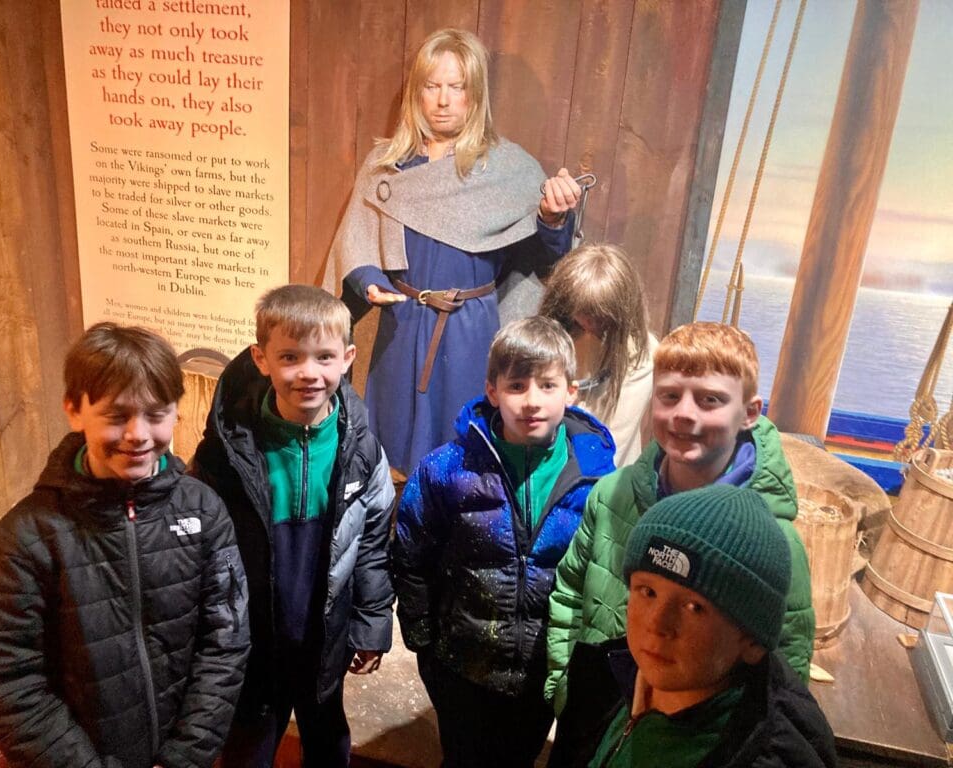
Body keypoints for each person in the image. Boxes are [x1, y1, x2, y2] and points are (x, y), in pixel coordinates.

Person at [0, 322, 250, 768]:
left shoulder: (204, 511)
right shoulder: (27, 535)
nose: (138, 433)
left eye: (155, 414)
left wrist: (186, 755)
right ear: (74, 410)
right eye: (117, 415)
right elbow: (10, 678)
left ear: (176, 413)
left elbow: (226, 642)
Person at [323, 28, 582, 477]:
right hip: (402, 324)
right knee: (388, 446)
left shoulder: (506, 169)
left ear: (474, 94)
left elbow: (547, 260)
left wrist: (553, 218)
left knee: (464, 452)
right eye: (431, 86)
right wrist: (370, 282)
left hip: (469, 330)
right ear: (417, 93)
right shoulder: (388, 165)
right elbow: (357, 239)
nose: (443, 100)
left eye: (456, 87)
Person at [546, 322, 815, 731]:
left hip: (696, 734)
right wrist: (564, 687)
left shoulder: (773, 543)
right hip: (595, 713)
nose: (684, 413)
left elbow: (785, 666)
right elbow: (569, 590)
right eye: (669, 396)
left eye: (710, 400)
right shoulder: (611, 495)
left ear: (749, 413)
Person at [392, 316, 616, 768]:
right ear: (492, 391)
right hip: (461, 666)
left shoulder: (597, 477)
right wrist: (423, 641)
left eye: (547, 385)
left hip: (541, 669)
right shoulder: (447, 469)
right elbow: (411, 554)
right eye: (516, 385)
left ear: (571, 392)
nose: (532, 401)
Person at [191, 284, 394, 768]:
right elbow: (203, 546)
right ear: (261, 359)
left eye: (324, 357)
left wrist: (370, 624)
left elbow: (372, 543)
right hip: (253, 634)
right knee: (249, 743)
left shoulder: (362, 450)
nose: (308, 373)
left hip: (325, 632)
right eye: (290, 357)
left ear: (347, 358)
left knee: (326, 738)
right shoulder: (227, 451)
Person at [568, 485, 837, 768]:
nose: (657, 623)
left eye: (694, 607)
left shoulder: (757, 755)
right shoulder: (617, 677)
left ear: (752, 642)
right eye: (648, 591)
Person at [539, 243, 659, 466]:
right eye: (584, 312)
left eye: (599, 315)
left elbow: (612, 443)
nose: (590, 322)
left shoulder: (642, 356)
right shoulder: (554, 335)